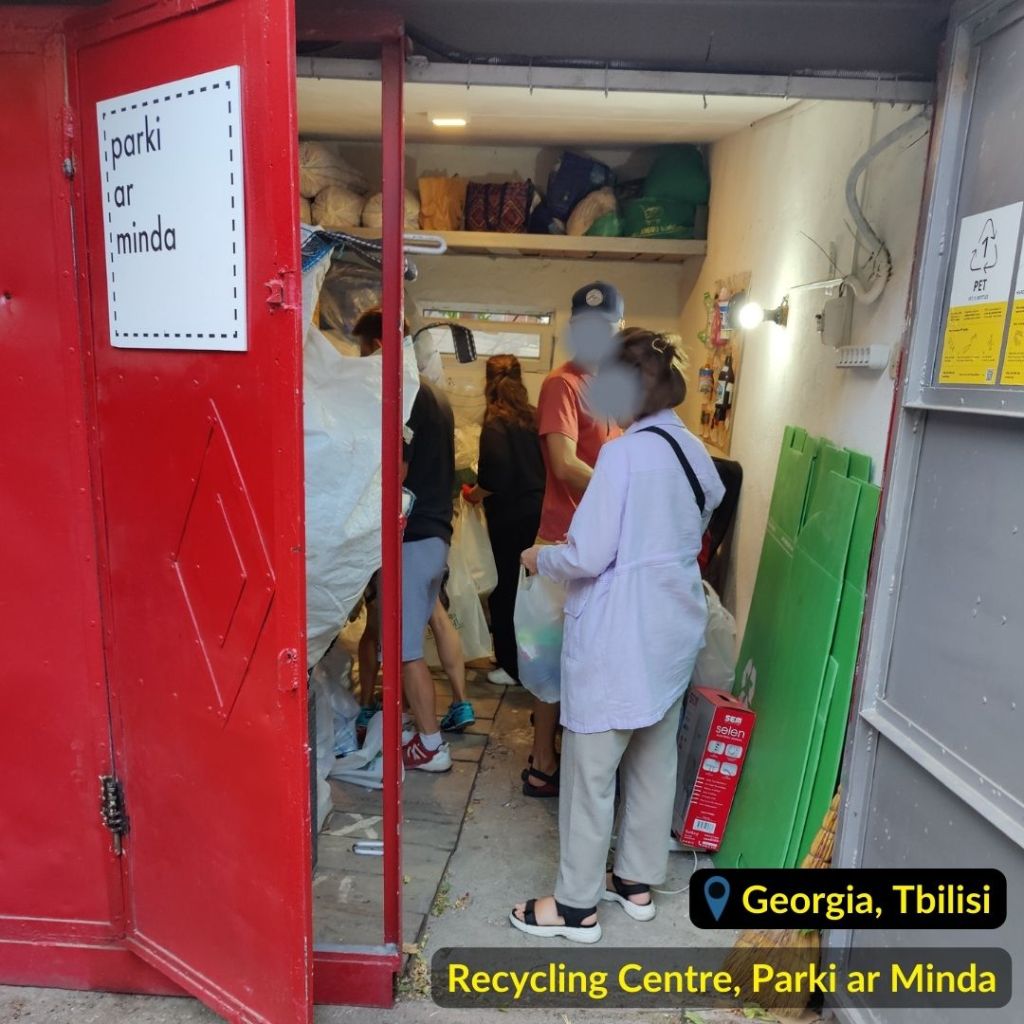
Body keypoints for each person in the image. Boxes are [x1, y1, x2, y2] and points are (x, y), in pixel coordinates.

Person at [509, 327, 725, 943]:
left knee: (590, 773)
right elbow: (694, 524)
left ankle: (576, 907)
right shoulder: (694, 452)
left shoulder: (626, 454)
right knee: (654, 759)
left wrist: (541, 558)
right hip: (671, 630)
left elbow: (589, 554)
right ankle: (635, 882)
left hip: (618, 633)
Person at [352, 308, 471, 771]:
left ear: (380, 347)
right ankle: (416, 724)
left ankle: (430, 744)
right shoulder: (436, 396)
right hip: (435, 533)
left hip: (411, 537)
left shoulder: (403, 396)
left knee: (403, 652)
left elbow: (397, 473)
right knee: (413, 640)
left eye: (364, 355)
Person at [523, 282, 624, 798]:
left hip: (602, 547)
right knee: (551, 660)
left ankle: (571, 752)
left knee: (585, 658)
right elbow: (564, 463)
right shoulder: (561, 385)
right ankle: (542, 760)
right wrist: (624, 492)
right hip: (563, 542)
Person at [463, 355, 545, 686]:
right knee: (530, 592)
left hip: (510, 519)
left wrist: (473, 494)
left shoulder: (496, 422)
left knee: (506, 590)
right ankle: (530, 661)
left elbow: (494, 477)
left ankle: (512, 666)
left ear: (487, 382)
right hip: (538, 514)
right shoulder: (534, 417)